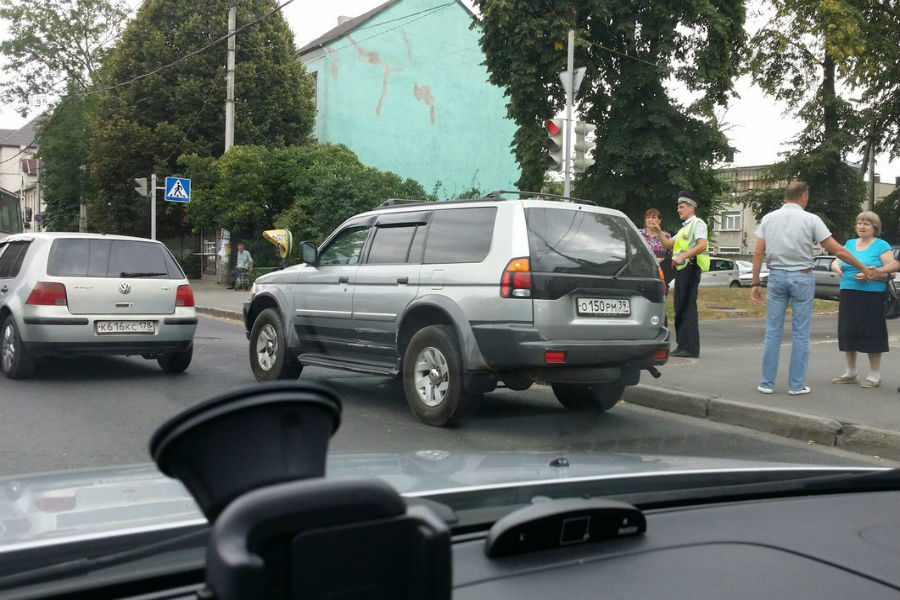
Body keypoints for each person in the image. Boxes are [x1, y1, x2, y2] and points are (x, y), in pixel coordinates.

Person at [750, 181, 876, 395]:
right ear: (803, 197)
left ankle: (766, 384)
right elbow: (838, 250)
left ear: (786, 196)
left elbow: (758, 252)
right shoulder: (811, 220)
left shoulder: (769, 219)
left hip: (777, 277)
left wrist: (754, 283)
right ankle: (796, 385)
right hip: (802, 276)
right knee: (800, 332)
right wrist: (863, 266)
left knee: (773, 331)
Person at [830, 212, 899, 389]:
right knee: (848, 330)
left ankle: (874, 374)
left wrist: (872, 275)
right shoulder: (850, 243)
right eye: (859, 222)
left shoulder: (881, 245)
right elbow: (836, 260)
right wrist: (836, 266)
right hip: (848, 291)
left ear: (874, 227)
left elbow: (891, 272)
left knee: (872, 331)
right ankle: (851, 371)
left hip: (872, 295)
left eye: (866, 223)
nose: (861, 226)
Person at [652, 191, 708, 358]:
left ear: (691, 208)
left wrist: (682, 256)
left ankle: (690, 348)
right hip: (683, 270)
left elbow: (702, 245)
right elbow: (669, 243)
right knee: (680, 307)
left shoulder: (698, 224)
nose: (678, 210)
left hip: (691, 268)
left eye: (681, 207)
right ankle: (683, 345)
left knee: (688, 308)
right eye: (678, 207)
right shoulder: (685, 228)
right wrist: (660, 232)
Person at [639, 208, 674, 285]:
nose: (650, 220)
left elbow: (671, 254)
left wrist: (662, 259)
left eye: (653, 217)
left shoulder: (666, 235)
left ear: (659, 221)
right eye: (648, 217)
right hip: (642, 269)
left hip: (661, 269)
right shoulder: (638, 233)